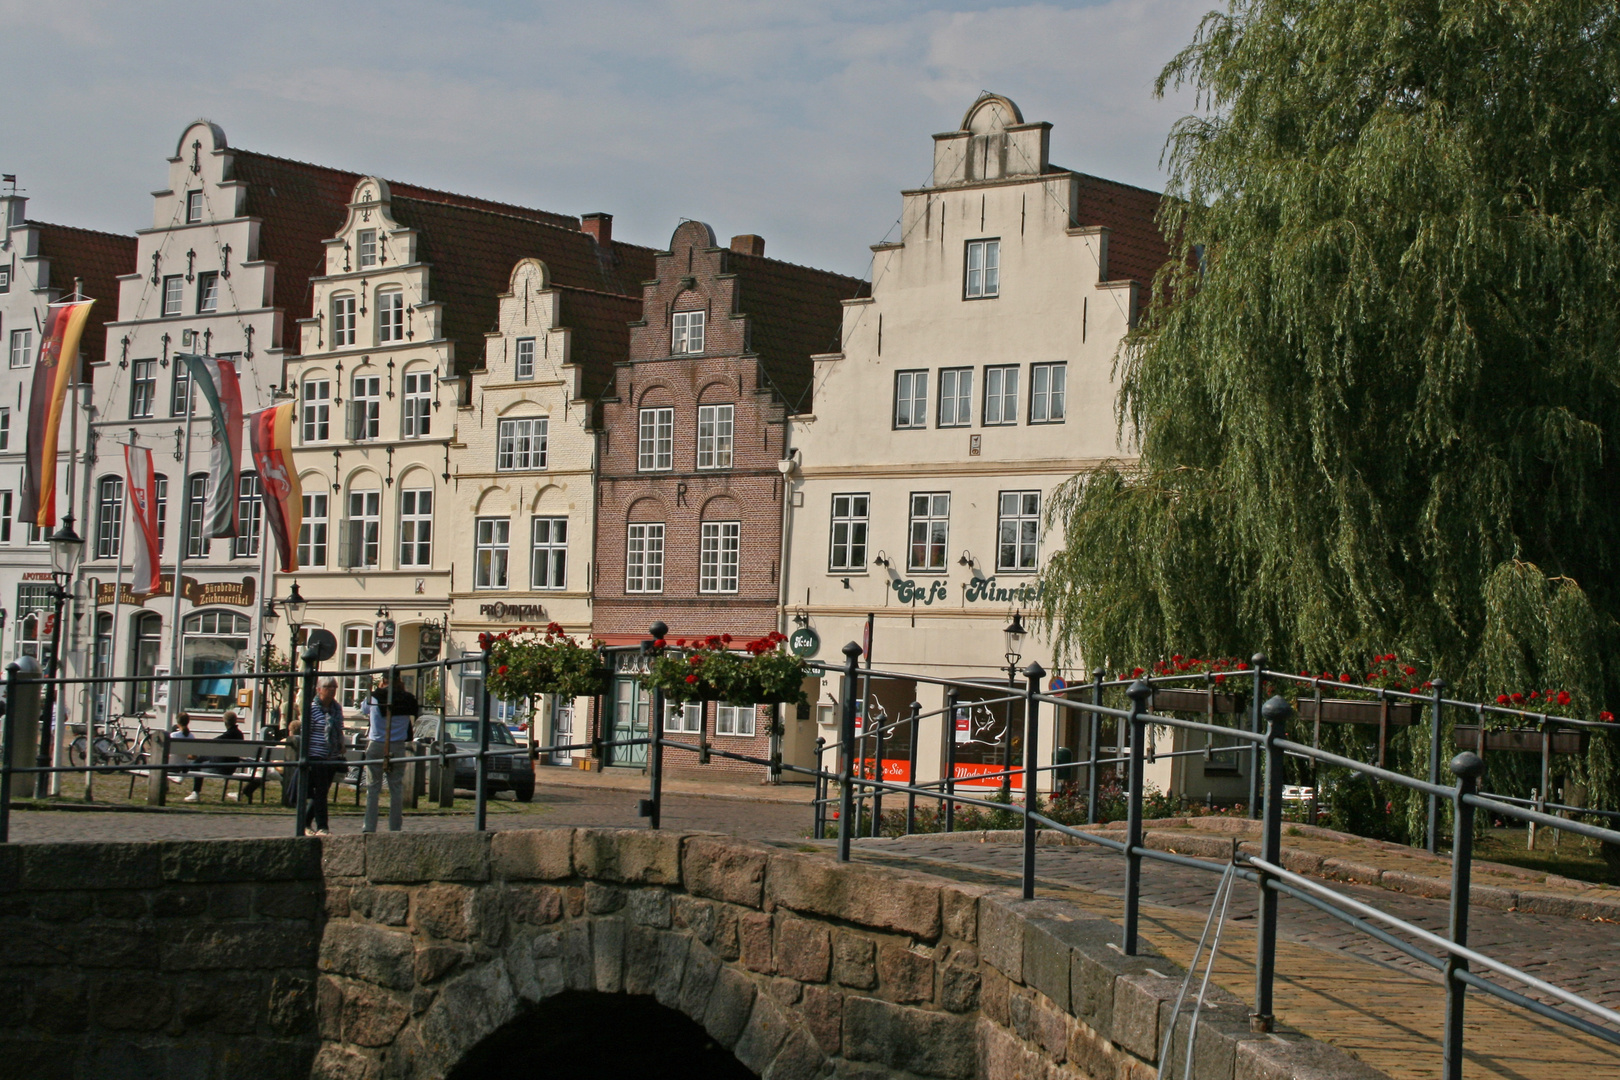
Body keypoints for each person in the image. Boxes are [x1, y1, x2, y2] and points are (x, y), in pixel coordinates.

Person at [363, 674, 420, 833]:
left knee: (373, 787)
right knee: (396, 788)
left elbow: (364, 709)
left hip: (376, 743)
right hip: (397, 746)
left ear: (383, 682)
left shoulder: (374, 697)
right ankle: (395, 827)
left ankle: (369, 826)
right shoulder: (407, 698)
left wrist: (378, 689)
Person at [300, 677, 347, 836]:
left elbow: (339, 728)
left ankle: (304, 823)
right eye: (328, 686)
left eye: (334, 686)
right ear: (319, 689)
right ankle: (322, 827)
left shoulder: (336, 708)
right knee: (320, 791)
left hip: (332, 755)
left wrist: (341, 743)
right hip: (317, 754)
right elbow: (306, 733)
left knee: (322, 792)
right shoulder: (312, 709)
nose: (332, 690)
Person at [183, 710, 247, 803]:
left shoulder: (227, 735)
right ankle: (188, 768)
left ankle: (195, 791)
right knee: (202, 757)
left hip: (222, 768)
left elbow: (212, 742)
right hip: (231, 766)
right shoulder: (239, 734)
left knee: (198, 764)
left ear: (224, 721)